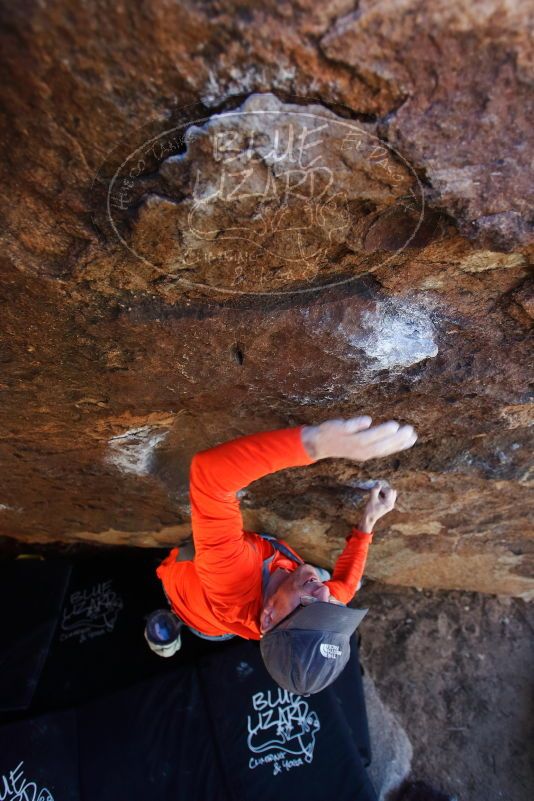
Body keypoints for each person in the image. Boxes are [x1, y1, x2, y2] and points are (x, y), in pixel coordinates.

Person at [149, 416, 417, 694]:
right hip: (239, 613)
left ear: (267, 618)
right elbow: (346, 587)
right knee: (321, 580)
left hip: (191, 598)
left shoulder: (231, 581)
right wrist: (367, 525)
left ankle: (170, 632)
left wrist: (315, 444)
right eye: (331, 612)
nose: (324, 595)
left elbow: (209, 476)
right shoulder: (310, 602)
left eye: (310, 607)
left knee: (190, 556)